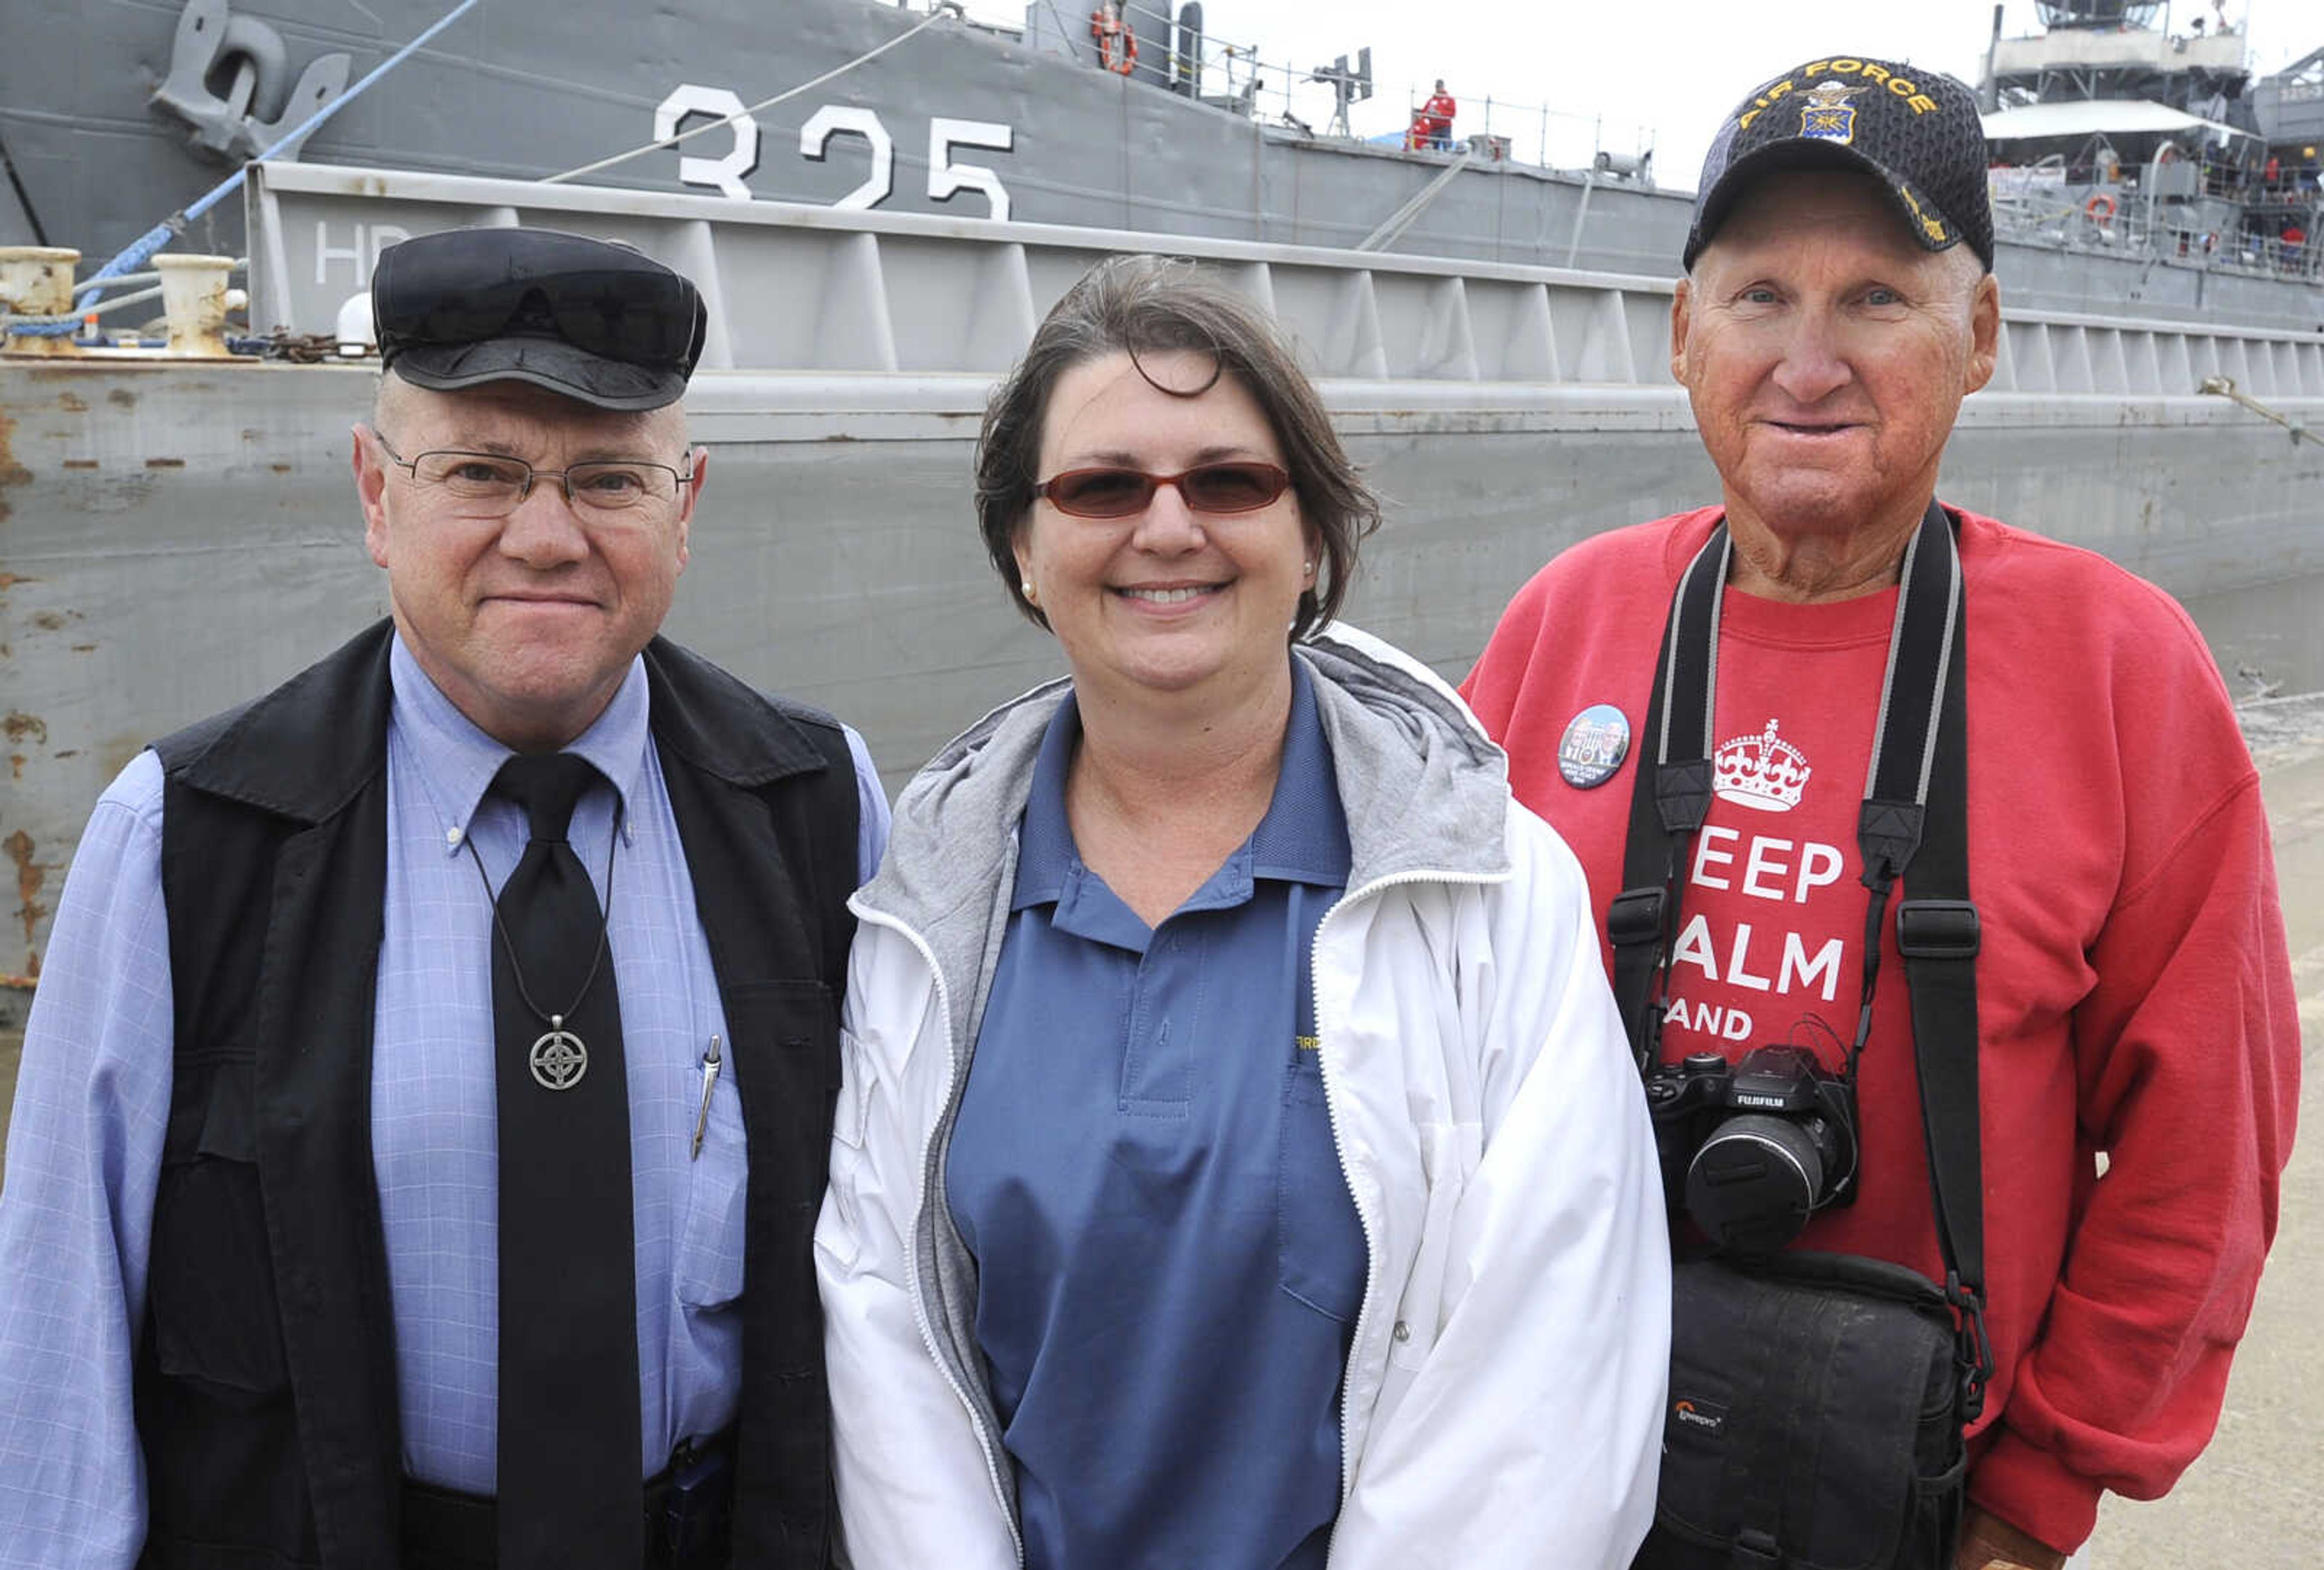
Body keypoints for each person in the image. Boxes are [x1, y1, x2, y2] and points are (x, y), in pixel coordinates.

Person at [1461, 57, 2300, 1570]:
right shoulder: (1563, 623)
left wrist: (2033, 1503)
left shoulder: (2118, 668)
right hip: (1533, 1464)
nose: (1806, 360)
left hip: (1906, 1494)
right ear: (1679, 333)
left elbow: (2202, 1151)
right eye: (1759, 294)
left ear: (1976, 336)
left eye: (1875, 299)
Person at [0, 227, 890, 1568]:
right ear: (374, 492)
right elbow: (59, 1324)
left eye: (609, 478)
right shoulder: (187, 838)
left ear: (686, 505)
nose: (546, 536)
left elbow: (893, 1265)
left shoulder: (816, 805)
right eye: (480, 471)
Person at [816, 254, 1668, 1569]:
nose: (1168, 528)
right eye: (1103, 487)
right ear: (1023, 549)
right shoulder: (927, 909)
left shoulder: (1496, 890)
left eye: (1229, 481)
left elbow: (1546, 1375)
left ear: (1313, 535)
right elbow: (887, 1337)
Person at [1424, 78, 1457, 151]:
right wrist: (1428, 113)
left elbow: (1453, 113)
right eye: (1437, 87)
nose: (1438, 88)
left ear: (1443, 87)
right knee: (1432, 150)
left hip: (1445, 128)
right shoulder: (1432, 100)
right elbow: (1424, 112)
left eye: (1439, 87)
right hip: (1433, 128)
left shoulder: (1449, 99)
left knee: (1448, 149)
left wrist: (1440, 113)